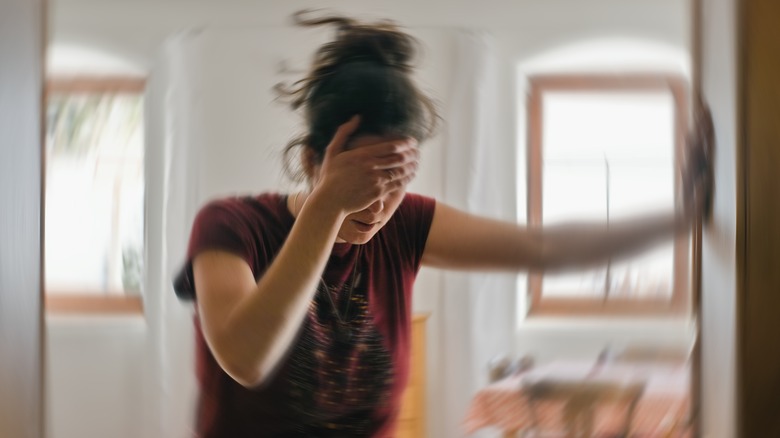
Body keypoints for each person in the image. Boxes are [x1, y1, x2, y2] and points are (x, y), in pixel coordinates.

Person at [173, 10, 713, 438]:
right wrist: (327, 207)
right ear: (314, 161)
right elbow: (246, 358)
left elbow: (545, 248)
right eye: (360, 178)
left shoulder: (406, 225)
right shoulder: (230, 226)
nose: (377, 202)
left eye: (394, 179)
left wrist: (683, 216)